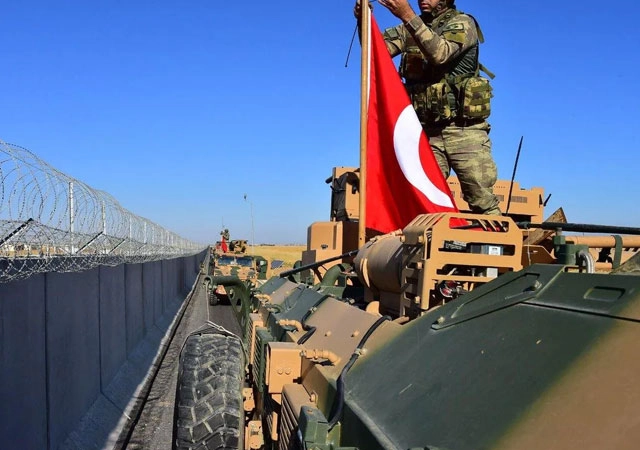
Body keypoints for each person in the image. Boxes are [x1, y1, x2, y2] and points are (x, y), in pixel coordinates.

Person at [354, 0, 501, 215]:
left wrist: (407, 15)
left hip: (464, 131)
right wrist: (363, 21)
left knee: (481, 200)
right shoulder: (408, 28)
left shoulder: (462, 23)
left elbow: (440, 53)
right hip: (426, 133)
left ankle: (495, 236)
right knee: (422, 197)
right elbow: (375, 49)